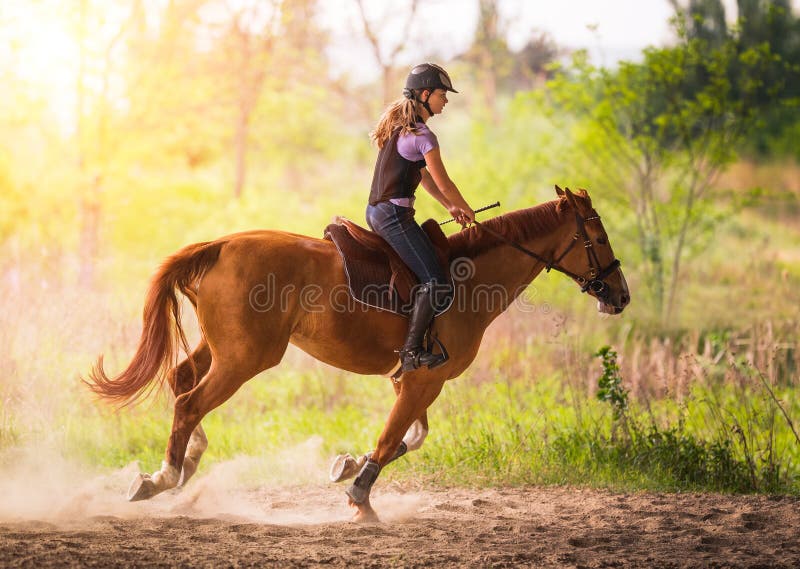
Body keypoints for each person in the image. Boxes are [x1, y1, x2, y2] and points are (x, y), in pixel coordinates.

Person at [366, 62, 475, 372]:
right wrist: (463, 205)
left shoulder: (400, 129)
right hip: (393, 217)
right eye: (442, 94)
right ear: (425, 95)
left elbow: (425, 179)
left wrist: (449, 207)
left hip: (377, 211)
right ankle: (411, 352)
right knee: (437, 281)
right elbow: (445, 182)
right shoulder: (423, 136)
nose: (446, 100)